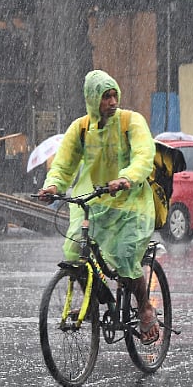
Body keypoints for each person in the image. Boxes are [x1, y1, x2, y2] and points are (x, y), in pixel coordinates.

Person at [36, 69, 159, 342]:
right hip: (95, 202)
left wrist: (126, 177)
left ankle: (145, 307)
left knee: (126, 255)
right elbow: (63, 165)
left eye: (114, 95)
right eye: (105, 97)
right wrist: (53, 186)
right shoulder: (80, 129)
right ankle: (96, 301)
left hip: (132, 204)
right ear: (93, 100)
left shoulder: (131, 122)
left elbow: (144, 154)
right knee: (74, 252)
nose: (112, 102)